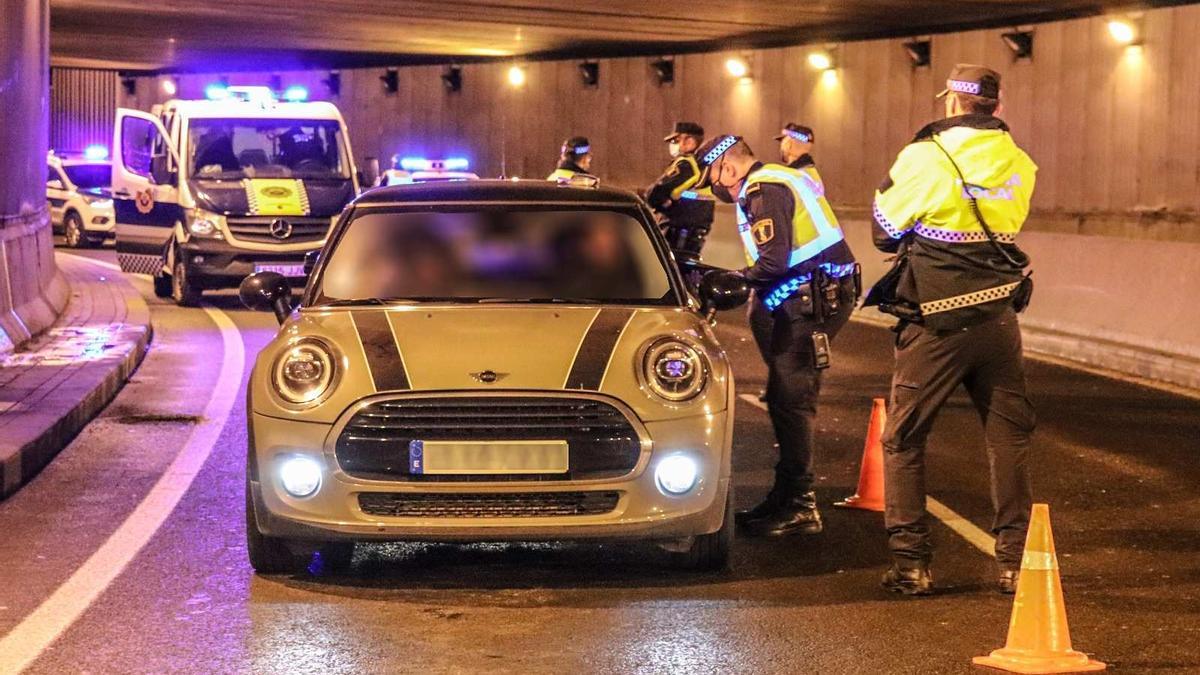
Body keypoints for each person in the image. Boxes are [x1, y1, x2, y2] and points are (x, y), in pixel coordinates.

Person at [867, 64, 1038, 596]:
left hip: (936, 323)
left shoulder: (924, 156)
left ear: (951, 103)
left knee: (903, 440)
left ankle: (912, 565)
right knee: (1008, 437)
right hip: (998, 319)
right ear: (996, 106)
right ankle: (1014, 564)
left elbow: (884, 232)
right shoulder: (1019, 162)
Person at [695, 134, 858, 537]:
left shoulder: (762, 189)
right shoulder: (780, 177)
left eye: (716, 181)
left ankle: (800, 506)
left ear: (728, 168)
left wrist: (735, 280)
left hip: (813, 299)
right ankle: (785, 498)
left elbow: (773, 259)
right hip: (814, 292)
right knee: (786, 395)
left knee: (791, 399)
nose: (719, 190)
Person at [644, 122, 715, 261]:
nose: (672, 145)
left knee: (670, 269)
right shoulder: (703, 166)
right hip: (693, 230)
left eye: (676, 140)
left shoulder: (685, 164)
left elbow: (655, 192)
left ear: (690, 142)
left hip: (679, 230)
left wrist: (659, 201)